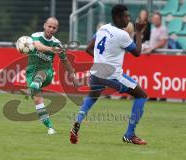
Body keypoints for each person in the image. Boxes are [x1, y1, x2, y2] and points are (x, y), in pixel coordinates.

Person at [70, 4, 148, 145]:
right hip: (113, 76)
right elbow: (137, 53)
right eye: (126, 16)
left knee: (92, 97)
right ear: (117, 17)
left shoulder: (103, 28)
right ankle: (130, 134)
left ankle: (78, 121)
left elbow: (88, 48)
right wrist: (138, 32)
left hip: (96, 72)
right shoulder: (122, 34)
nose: (128, 19)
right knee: (141, 95)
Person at [20, 17, 77, 135]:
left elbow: (65, 61)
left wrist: (72, 74)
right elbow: (38, 46)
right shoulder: (35, 36)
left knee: (41, 74)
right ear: (44, 25)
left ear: (56, 29)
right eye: (49, 26)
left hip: (47, 72)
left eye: (54, 28)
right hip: (31, 72)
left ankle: (30, 90)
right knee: (38, 102)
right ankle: (50, 128)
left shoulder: (57, 44)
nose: (51, 29)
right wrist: (52, 50)